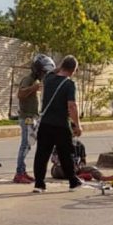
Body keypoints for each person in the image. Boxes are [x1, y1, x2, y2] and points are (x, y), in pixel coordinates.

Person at [32, 55, 83, 193]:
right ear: (73, 70)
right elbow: (72, 106)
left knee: (41, 155)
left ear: (61, 66)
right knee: (65, 154)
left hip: (45, 124)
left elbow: (53, 71)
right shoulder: (69, 84)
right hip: (61, 125)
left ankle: (39, 184)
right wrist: (77, 125)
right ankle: (73, 181)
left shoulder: (48, 79)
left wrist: (61, 66)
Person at [14, 54, 54, 183]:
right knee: (25, 145)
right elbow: (20, 94)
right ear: (37, 70)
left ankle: (23, 171)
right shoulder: (28, 79)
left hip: (32, 117)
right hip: (27, 118)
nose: (44, 75)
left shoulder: (35, 81)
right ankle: (19, 173)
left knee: (29, 145)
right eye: (43, 72)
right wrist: (34, 88)